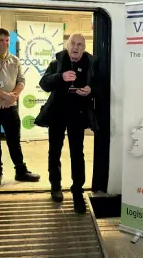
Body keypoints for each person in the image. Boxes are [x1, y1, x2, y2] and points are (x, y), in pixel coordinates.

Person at [34, 33, 97, 214]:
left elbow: (100, 85)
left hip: (78, 115)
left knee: (77, 154)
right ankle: (55, 186)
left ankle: (78, 193)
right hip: (57, 114)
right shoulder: (57, 62)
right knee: (54, 151)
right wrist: (60, 77)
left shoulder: (90, 64)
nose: (75, 48)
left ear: (84, 48)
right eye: (72, 44)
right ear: (67, 45)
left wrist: (90, 90)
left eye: (79, 44)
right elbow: (44, 83)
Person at [0, 28, 40, 187]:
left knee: (14, 141)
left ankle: (21, 171)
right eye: (1, 40)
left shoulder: (15, 60)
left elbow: (21, 81)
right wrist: (4, 96)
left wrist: (12, 97)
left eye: (7, 40)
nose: (4, 43)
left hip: (11, 106)